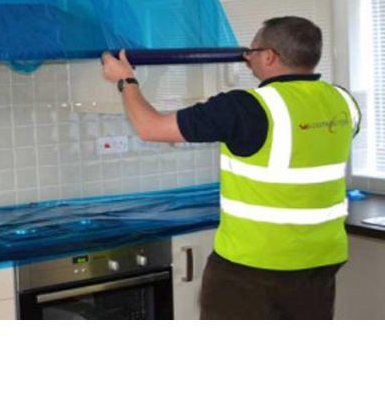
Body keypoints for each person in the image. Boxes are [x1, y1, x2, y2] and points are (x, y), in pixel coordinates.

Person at [102, 16, 361, 319]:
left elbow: (151, 128)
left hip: (252, 269)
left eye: (253, 50)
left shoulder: (246, 107)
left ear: (269, 56)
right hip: (320, 265)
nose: (247, 57)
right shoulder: (343, 102)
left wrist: (126, 80)